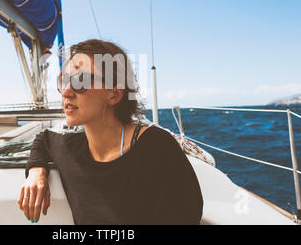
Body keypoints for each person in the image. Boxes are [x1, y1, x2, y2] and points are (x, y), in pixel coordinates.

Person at [17, 39, 203, 224]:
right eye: (63, 80)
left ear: (114, 94)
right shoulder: (71, 150)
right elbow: (44, 140)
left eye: (80, 81)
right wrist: (36, 172)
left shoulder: (157, 149)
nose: (66, 91)